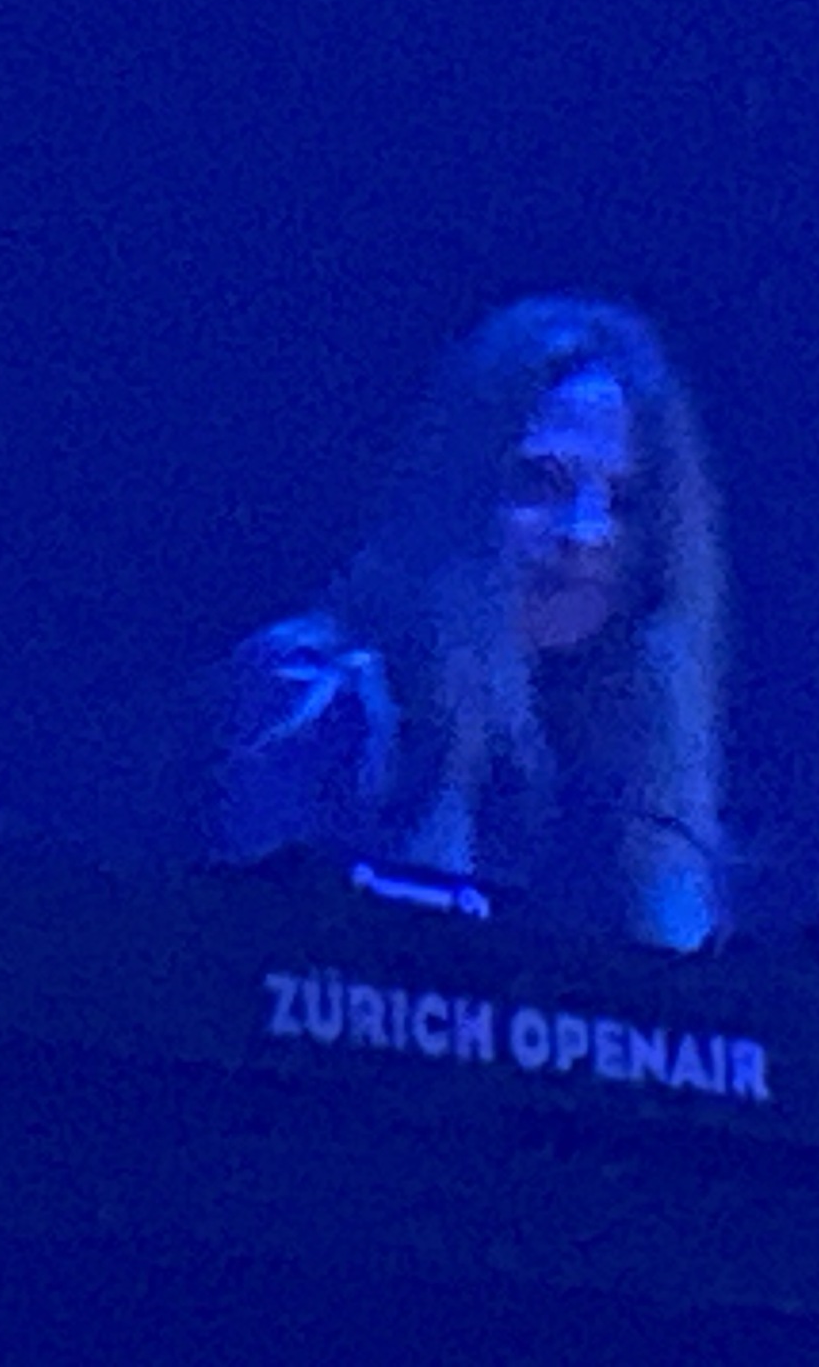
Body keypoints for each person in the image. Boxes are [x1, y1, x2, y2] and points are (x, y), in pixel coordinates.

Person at [211, 297, 730, 952]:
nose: (585, 533)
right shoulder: (316, 699)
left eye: (622, 503)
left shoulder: (626, 768)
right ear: (463, 494)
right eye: (541, 483)